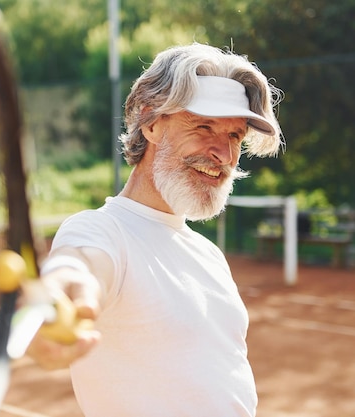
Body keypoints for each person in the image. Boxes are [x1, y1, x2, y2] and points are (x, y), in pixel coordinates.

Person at [27, 42, 283, 417]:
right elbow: (79, 264)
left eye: (234, 137)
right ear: (150, 123)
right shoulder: (101, 231)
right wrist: (58, 290)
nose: (223, 155)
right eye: (204, 126)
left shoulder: (209, 255)